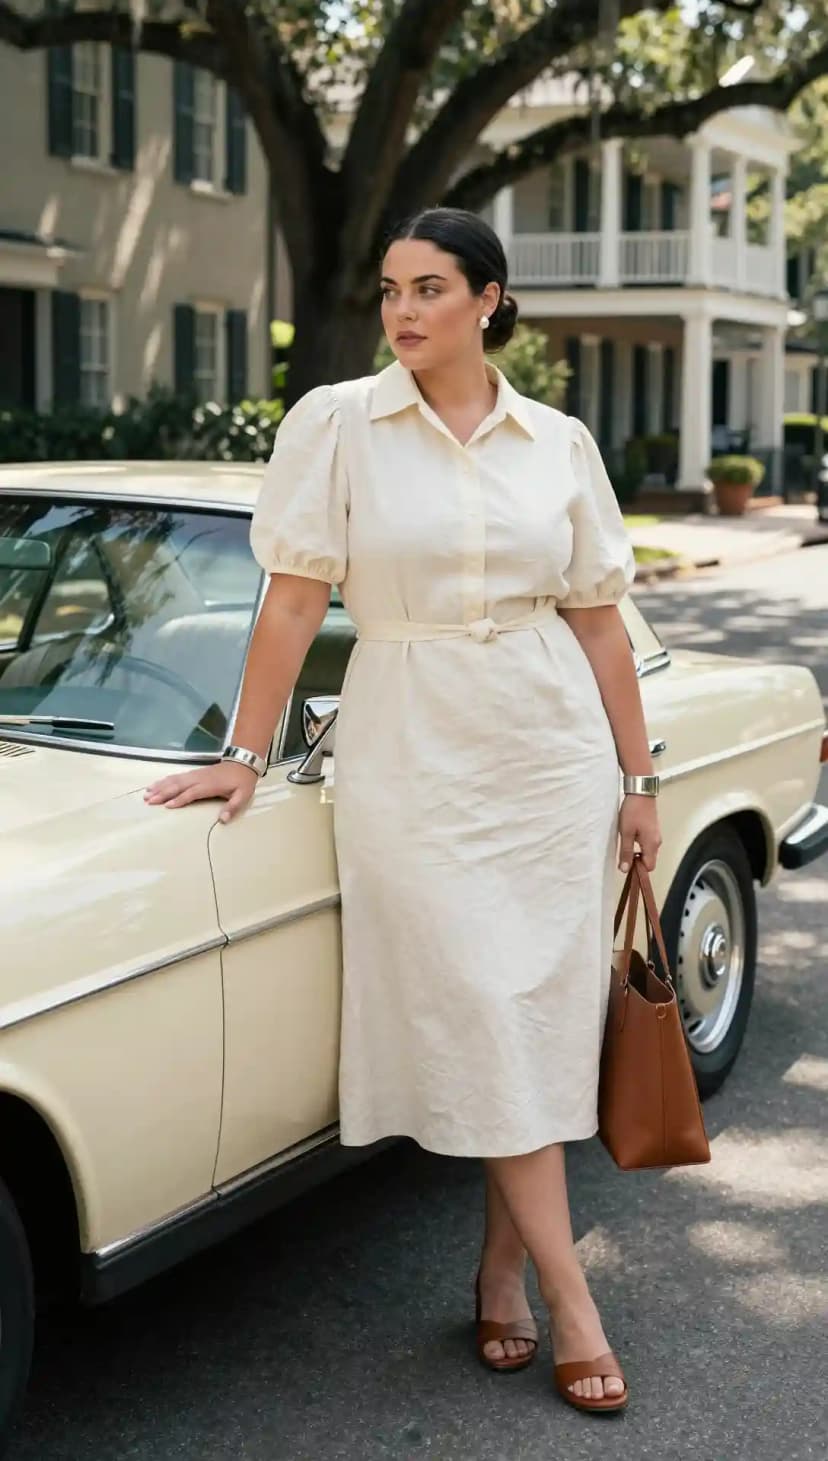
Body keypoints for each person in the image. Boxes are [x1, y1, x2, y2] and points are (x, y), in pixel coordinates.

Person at [145, 207, 661, 1415]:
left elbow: (598, 621)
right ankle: (574, 1299)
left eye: (429, 288)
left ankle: (503, 1274)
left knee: (531, 1025)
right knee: (483, 1007)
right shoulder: (337, 424)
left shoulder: (558, 441)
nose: (402, 311)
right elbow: (290, 602)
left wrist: (639, 781)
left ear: (489, 300)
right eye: (390, 289)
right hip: (412, 748)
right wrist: (243, 752)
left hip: (550, 755)